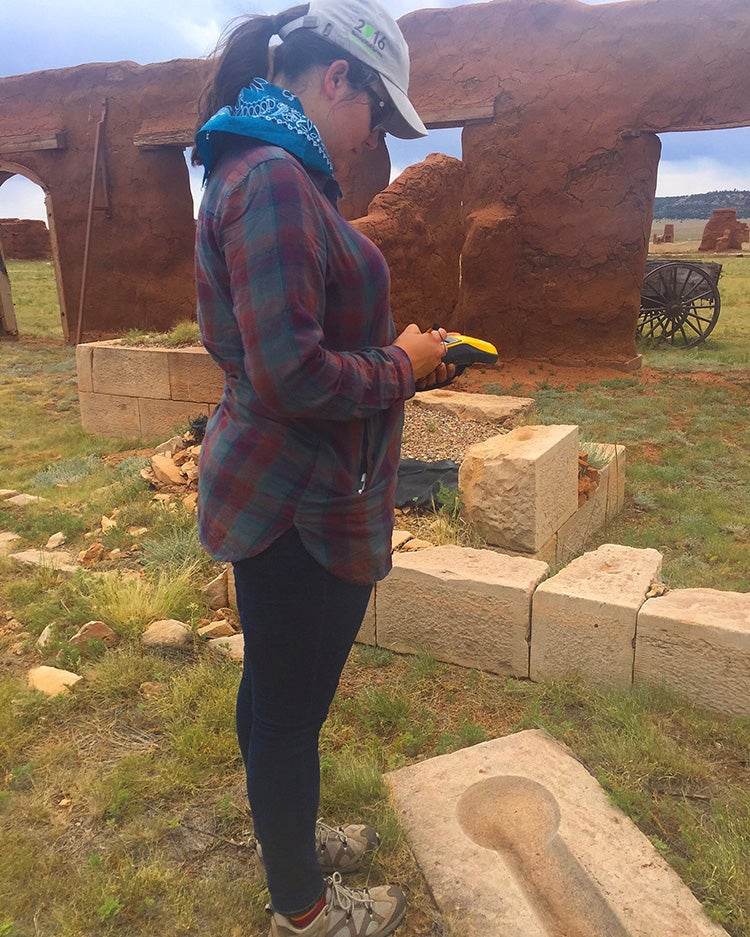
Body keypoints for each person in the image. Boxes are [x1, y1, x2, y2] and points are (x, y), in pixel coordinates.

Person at [193, 3, 452, 934]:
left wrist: (408, 356)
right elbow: (293, 372)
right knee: (288, 713)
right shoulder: (273, 180)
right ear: (336, 78)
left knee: (275, 691)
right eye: (377, 115)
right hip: (294, 499)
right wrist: (406, 364)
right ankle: (302, 908)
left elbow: (293, 347)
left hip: (290, 485)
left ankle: (285, 838)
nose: (374, 139)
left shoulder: (276, 167)